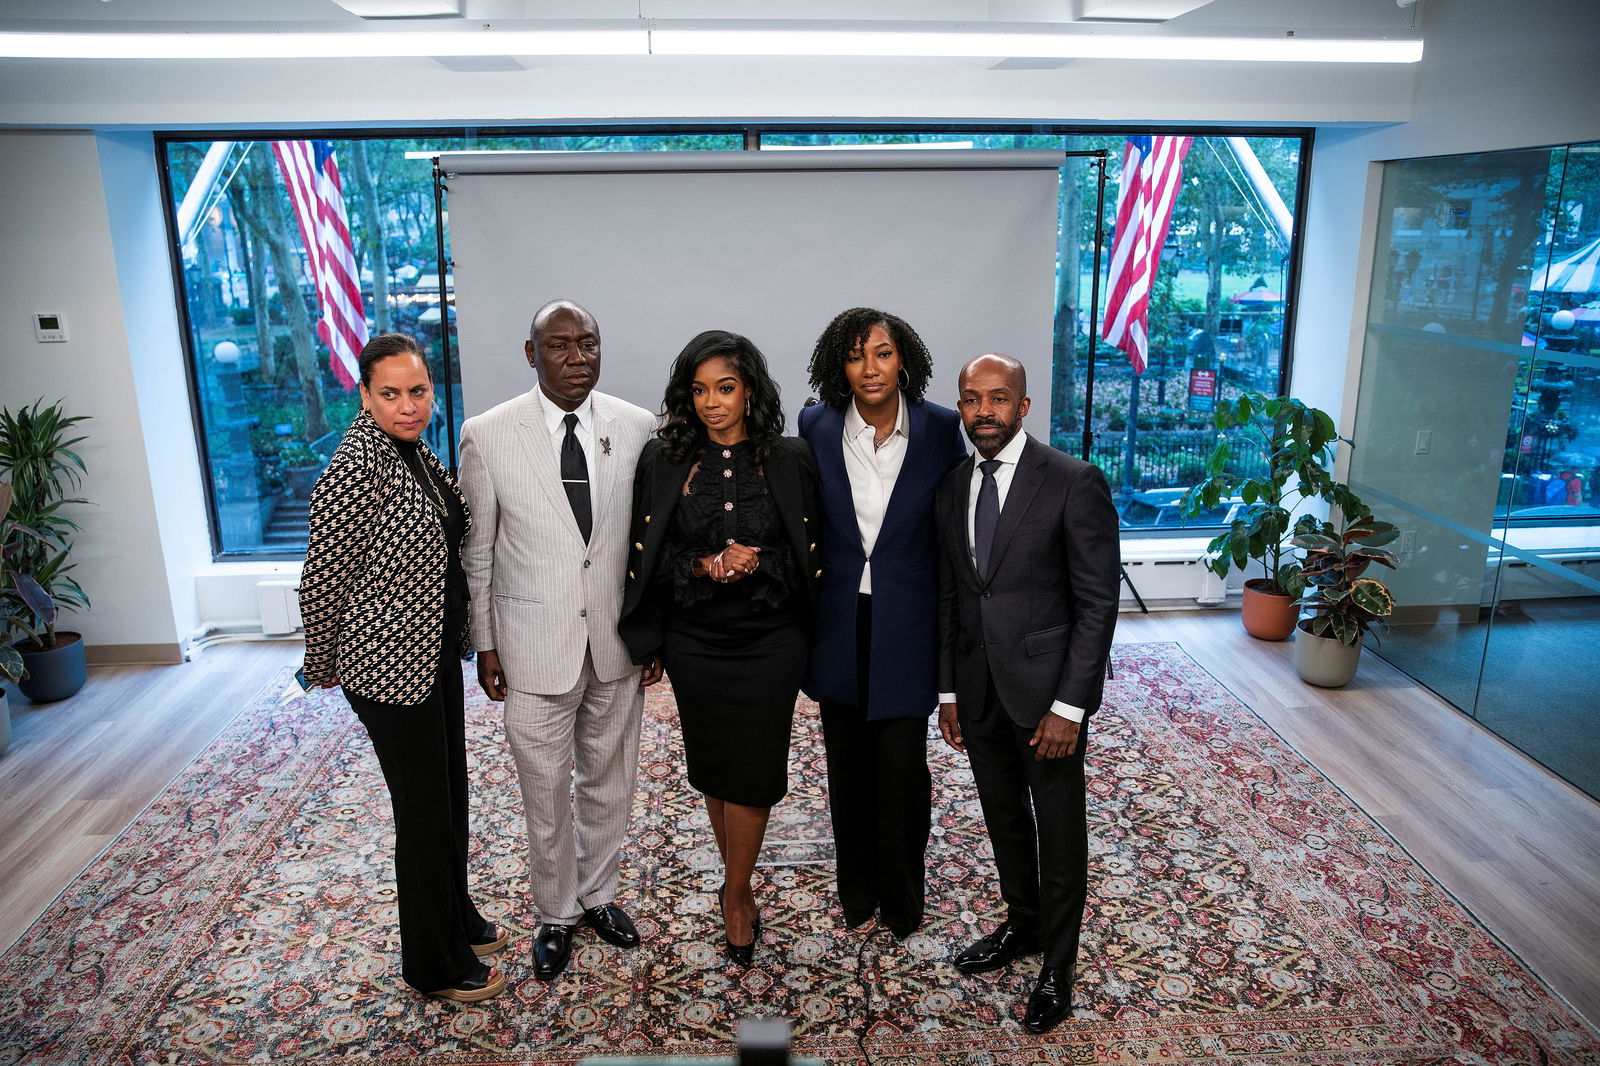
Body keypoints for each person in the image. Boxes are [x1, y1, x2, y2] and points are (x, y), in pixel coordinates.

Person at [299, 332, 506, 1003]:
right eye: (390, 394)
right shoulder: (357, 464)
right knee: (423, 813)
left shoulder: (410, 451)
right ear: (363, 395)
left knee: (449, 797)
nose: (409, 405)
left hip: (432, 654)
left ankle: (457, 917)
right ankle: (432, 962)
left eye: (418, 391)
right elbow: (323, 577)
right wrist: (321, 663)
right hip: (387, 670)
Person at [457, 299, 657, 982]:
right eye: (561, 346)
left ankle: (598, 895)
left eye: (589, 344)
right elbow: (477, 551)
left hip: (613, 643)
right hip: (530, 646)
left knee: (610, 780)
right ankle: (555, 913)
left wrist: (649, 629)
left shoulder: (636, 426)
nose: (578, 359)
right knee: (545, 793)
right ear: (530, 353)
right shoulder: (486, 435)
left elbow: (645, 545)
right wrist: (485, 644)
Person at [619, 330, 819, 968]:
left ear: (750, 391)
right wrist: (705, 566)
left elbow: (814, 552)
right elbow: (647, 554)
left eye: (725, 388)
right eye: (699, 390)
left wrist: (758, 559)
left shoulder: (789, 457)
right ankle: (738, 886)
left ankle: (736, 893)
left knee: (755, 765)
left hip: (770, 638)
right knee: (712, 759)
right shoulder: (664, 459)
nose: (712, 402)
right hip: (695, 638)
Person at [934, 353, 1120, 1034]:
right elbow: (954, 595)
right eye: (971, 400)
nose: (983, 412)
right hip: (980, 688)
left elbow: (1097, 605)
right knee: (1003, 816)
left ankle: (1058, 966)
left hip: (1048, 699)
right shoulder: (952, 486)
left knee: (1059, 829)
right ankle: (1023, 926)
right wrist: (949, 691)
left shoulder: (1074, 483)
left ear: (1024, 405)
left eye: (998, 398)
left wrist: (1072, 706)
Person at [797, 307, 967, 940]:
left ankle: (903, 892)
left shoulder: (941, 430)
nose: (870, 368)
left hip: (908, 624)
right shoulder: (814, 426)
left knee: (901, 769)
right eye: (855, 355)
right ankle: (855, 888)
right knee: (846, 768)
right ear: (837, 367)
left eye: (883, 353)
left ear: (905, 360)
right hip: (839, 622)